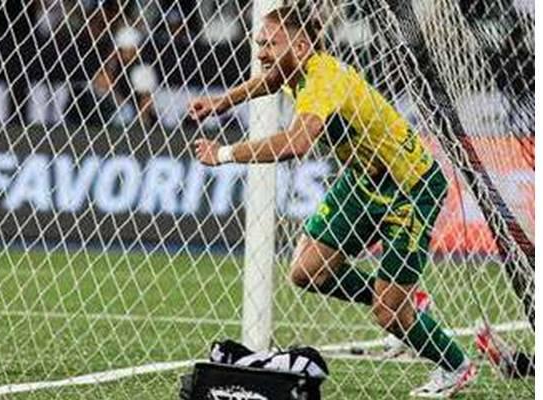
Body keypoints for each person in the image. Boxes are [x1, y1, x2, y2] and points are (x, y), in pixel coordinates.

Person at [187, 4, 476, 397]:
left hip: (409, 189)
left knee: (388, 312)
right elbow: (270, 80)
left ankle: (455, 366)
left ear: (302, 45)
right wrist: (222, 102)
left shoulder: (323, 80)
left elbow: (296, 143)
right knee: (307, 271)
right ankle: (411, 301)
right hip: (361, 180)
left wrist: (223, 154)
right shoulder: (295, 68)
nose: (262, 52)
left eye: (271, 43)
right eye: (259, 43)